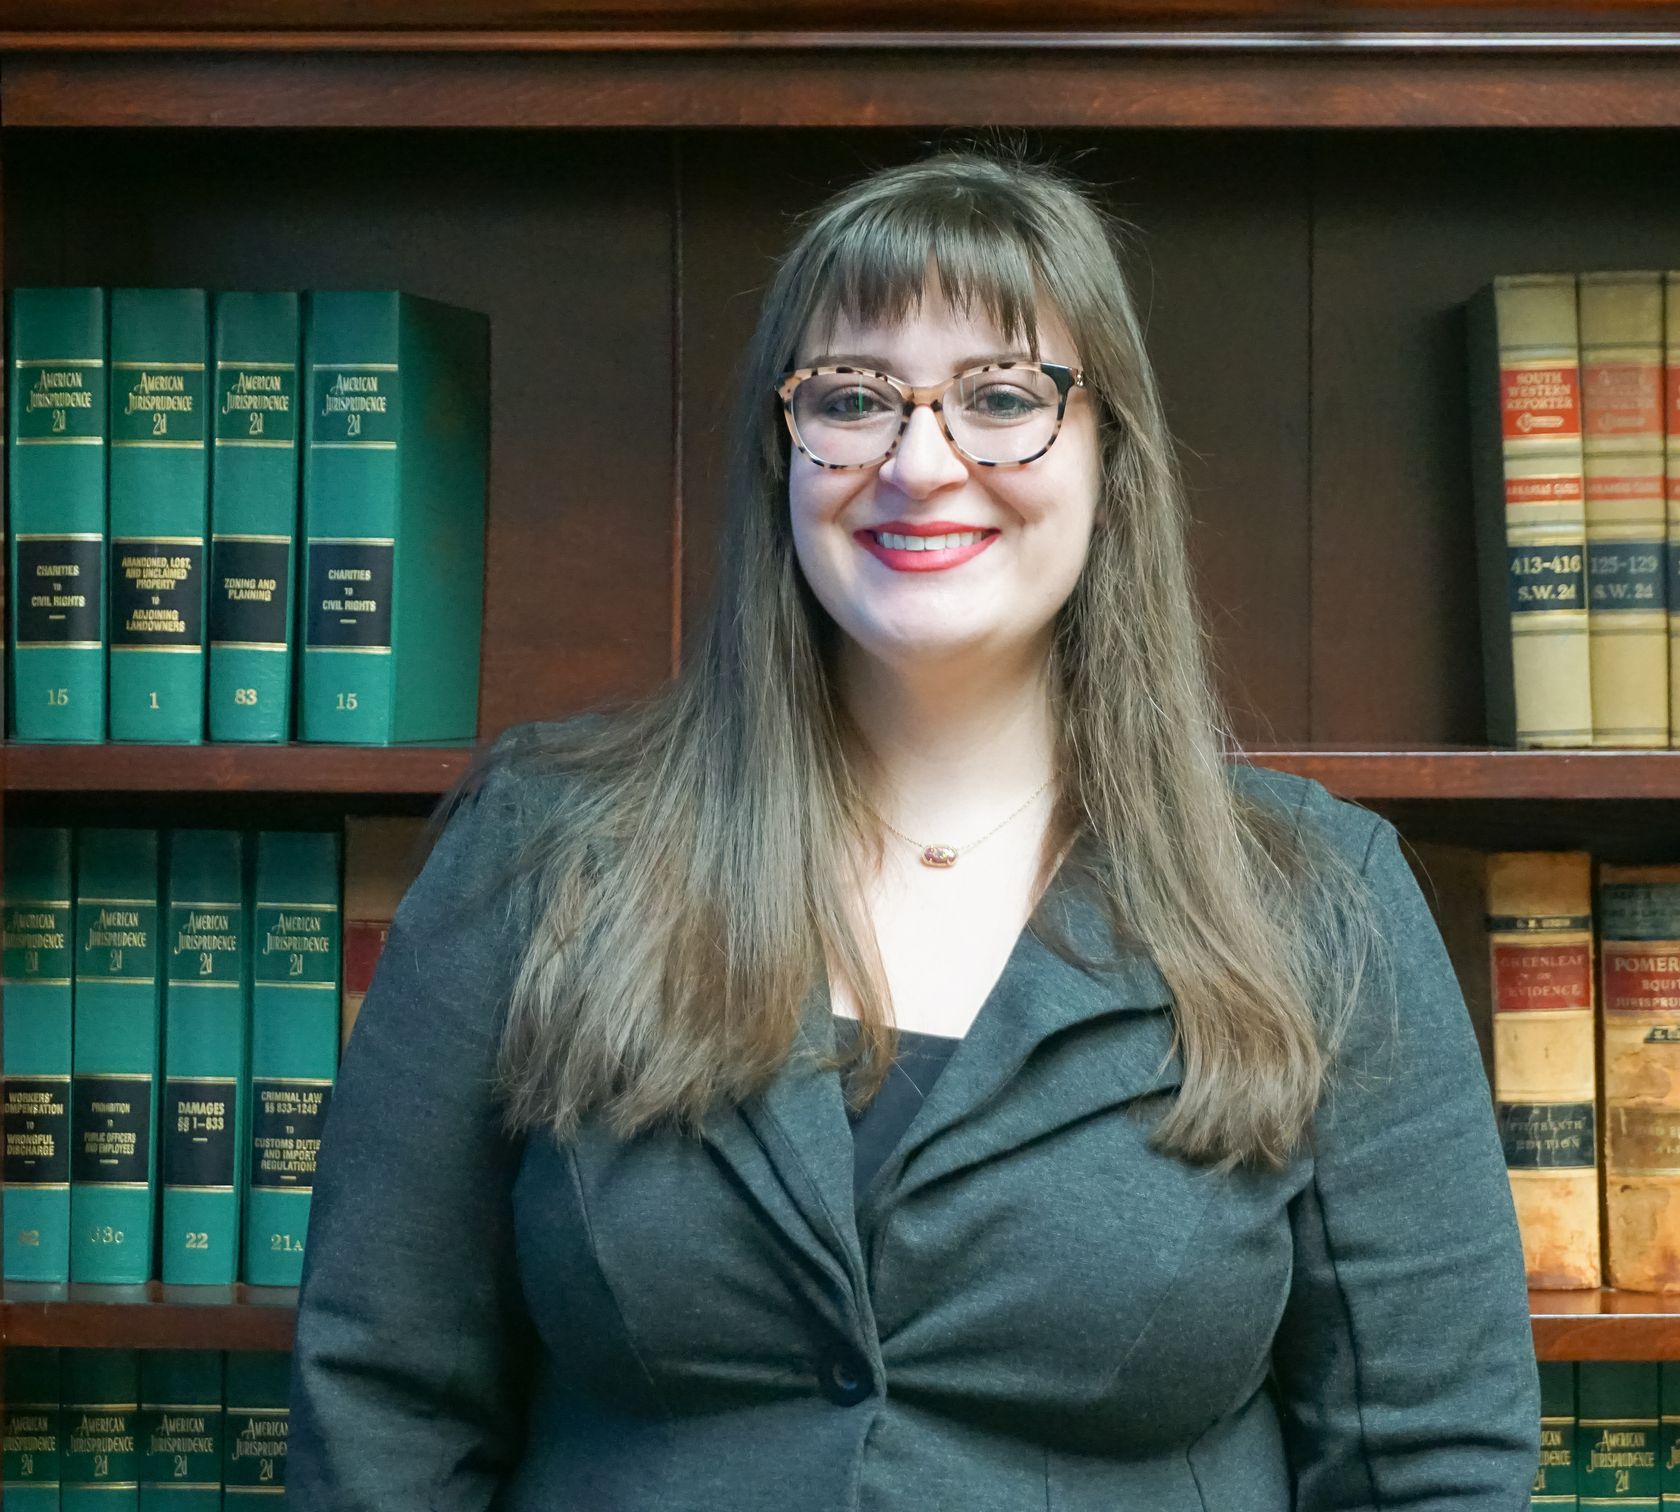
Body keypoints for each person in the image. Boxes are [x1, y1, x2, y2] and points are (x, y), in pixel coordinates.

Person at [286, 147, 1539, 1510]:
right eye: (851, 399)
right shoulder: (543, 848)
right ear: (784, 458)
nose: (920, 462)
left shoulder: (1316, 899)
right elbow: (386, 1399)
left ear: (1112, 460)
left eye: (1004, 397)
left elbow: (1432, 1460)